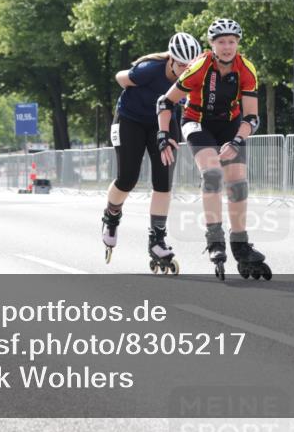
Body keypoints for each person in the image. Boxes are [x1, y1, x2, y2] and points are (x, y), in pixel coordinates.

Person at [156, 19, 271, 281]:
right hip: (197, 121)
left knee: (238, 182)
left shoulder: (246, 69)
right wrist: (163, 134)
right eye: (221, 42)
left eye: (232, 41)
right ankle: (215, 239)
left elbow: (252, 117)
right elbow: (165, 101)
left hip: (230, 124)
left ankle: (240, 244)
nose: (227, 47)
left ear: (238, 43)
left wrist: (238, 141)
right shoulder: (199, 66)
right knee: (212, 174)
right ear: (212, 45)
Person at [102, 32, 203, 274]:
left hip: (164, 123)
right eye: (180, 65)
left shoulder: (196, 74)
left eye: (190, 66)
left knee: (163, 182)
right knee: (128, 178)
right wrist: (132, 77)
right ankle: (111, 216)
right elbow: (120, 77)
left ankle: (157, 239)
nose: (185, 70)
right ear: (170, 61)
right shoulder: (150, 69)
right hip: (130, 119)